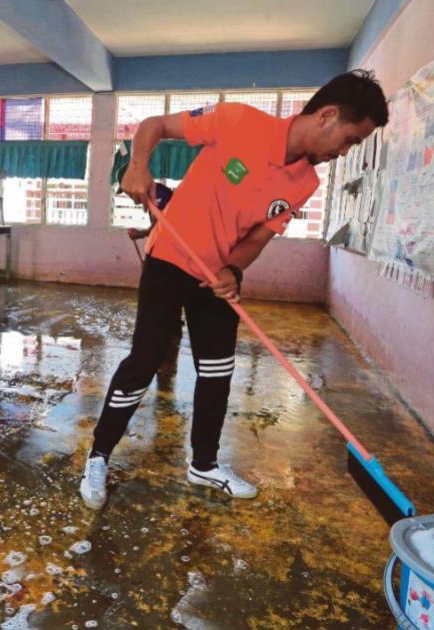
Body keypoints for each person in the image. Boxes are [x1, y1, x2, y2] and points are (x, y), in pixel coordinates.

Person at [80, 70, 389, 509]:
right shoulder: (238, 121)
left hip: (216, 279)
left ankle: (203, 463)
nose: (342, 153)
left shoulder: (306, 183)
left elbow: (258, 239)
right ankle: (99, 455)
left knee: (218, 371)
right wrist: (137, 165)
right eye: (349, 141)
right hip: (169, 259)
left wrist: (232, 269)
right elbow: (154, 127)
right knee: (144, 361)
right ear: (328, 115)